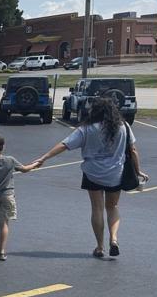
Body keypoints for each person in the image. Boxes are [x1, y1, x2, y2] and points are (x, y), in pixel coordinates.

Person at [25, 97, 149, 258]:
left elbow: (65, 145)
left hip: (93, 173)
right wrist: (138, 171)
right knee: (113, 207)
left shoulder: (87, 128)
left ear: (94, 111)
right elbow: (133, 150)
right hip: (115, 174)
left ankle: (99, 247)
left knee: (97, 209)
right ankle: (114, 239)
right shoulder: (123, 126)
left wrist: (44, 158)